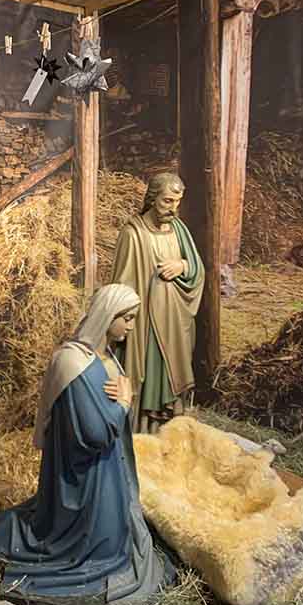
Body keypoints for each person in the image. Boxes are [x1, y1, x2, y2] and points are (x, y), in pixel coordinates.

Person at [0, 284, 173, 605]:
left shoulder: (104, 355)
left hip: (106, 470)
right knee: (105, 547)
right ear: (108, 315)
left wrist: (122, 401)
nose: (131, 326)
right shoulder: (73, 363)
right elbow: (95, 434)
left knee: (119, 537)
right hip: (84, 480)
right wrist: (124, 404)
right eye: (127, 318)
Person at [110, 172, 205, 434]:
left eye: (177, 202)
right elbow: (121, 284)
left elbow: (197, 268)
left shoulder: (179, 230)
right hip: (146, 325)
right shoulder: (133, 234)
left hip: (175, 321)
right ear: (152, 199)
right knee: (149, 372)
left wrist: (183, 265)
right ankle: (143, 433)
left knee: (173, 372)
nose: (173, 208)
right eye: (167, 201)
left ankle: (169, 433)